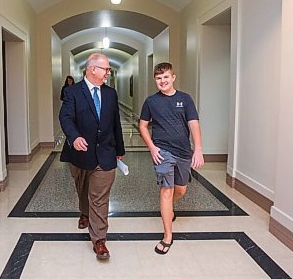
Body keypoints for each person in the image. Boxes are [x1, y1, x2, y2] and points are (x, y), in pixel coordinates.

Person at [59, 53, 125, 260]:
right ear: (92, 69)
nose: (108, 73)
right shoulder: (72, 92)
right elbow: (65, 117)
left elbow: (115, 123)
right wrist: (74, 136)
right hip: (79, 152)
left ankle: (99, 240)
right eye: (105, 69)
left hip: (105, 152)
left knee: (99, 197)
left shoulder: (111, 93)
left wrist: (120, 150)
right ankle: (84, 211)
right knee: (83, 189)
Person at [139, 62, 204, 255]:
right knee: (166, 191)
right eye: (158, 78)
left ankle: (169, 210)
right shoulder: (151, 102)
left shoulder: (185, 99)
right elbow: (143, 126)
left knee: (180, 190)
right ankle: (168, 235)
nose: (162, 81)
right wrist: (152, 147)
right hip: (163, 152)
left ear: (173, 77)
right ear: (155, 80)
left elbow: (193, 124)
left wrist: (198, 149)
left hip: (184, 151)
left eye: (165, 77)